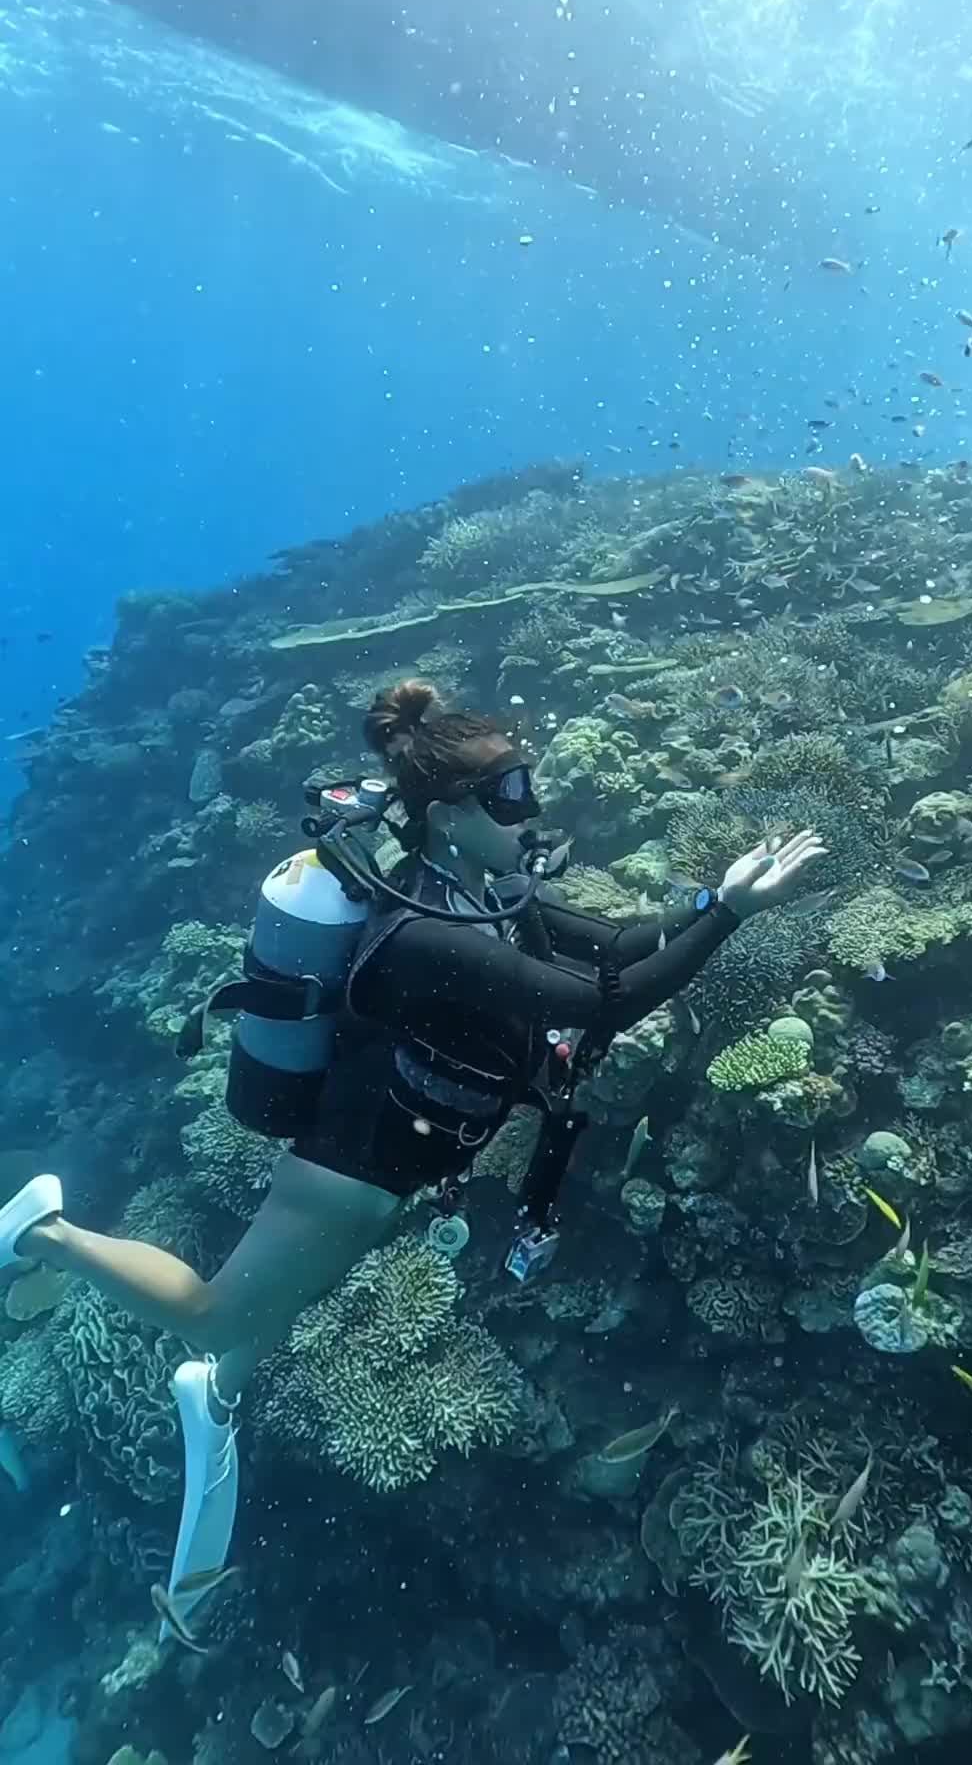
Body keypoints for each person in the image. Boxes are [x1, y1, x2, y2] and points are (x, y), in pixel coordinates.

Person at [0, 679, 824, 1622]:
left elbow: (614, 947)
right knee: (215, 1312)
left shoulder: (487, 892)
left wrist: (718, 892)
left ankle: (215, 1391)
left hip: (390, 1169)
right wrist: (732, 920)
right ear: (451, 814)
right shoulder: (424, 934)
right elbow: (608, 1003)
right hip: (345, 1174)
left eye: (528, 790)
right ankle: (47, 1232)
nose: (533, 813)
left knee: (264, 1314)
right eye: (513, 797)